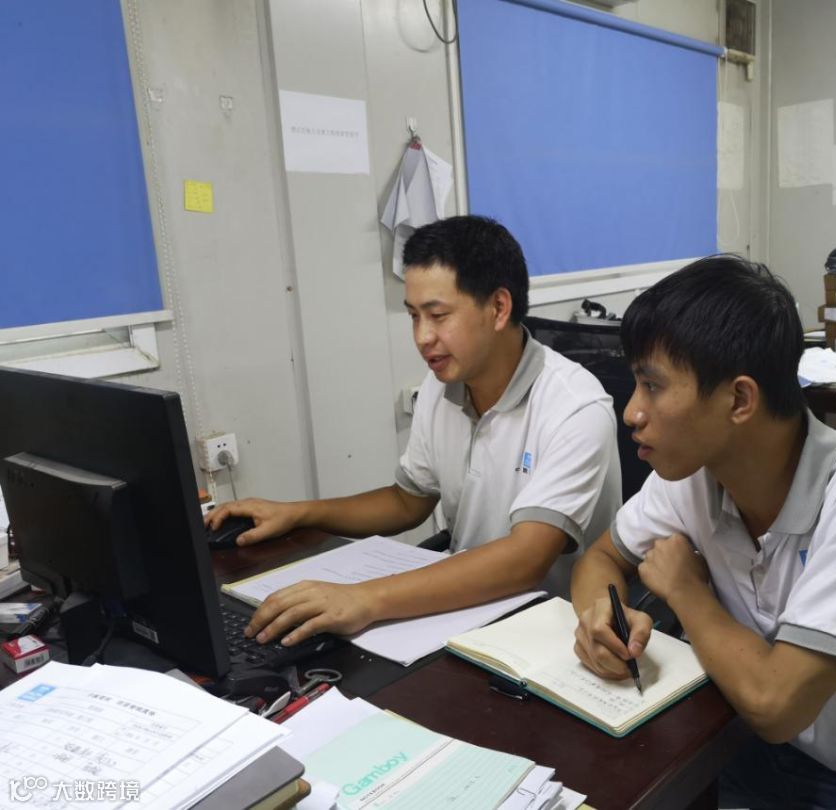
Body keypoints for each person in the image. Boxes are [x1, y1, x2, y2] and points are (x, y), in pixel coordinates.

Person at [570, 255, 836, 809]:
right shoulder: (691, 473)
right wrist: (601, 618)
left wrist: (686, 590)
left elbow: (776, 706)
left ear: (739, 400)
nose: (632, 412)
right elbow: (601, 558)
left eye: (652, 385)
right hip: (750, 753)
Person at [208, 215, 620, 648]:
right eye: (413, 316)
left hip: (555, 636)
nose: (422, 337)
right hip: (462, 617)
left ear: (499, 308)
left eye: (438, 316)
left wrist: (365, 598)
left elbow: (526, 560)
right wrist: (298, 513)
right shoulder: (441, 386)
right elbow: (407, 501)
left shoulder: (574, 408)